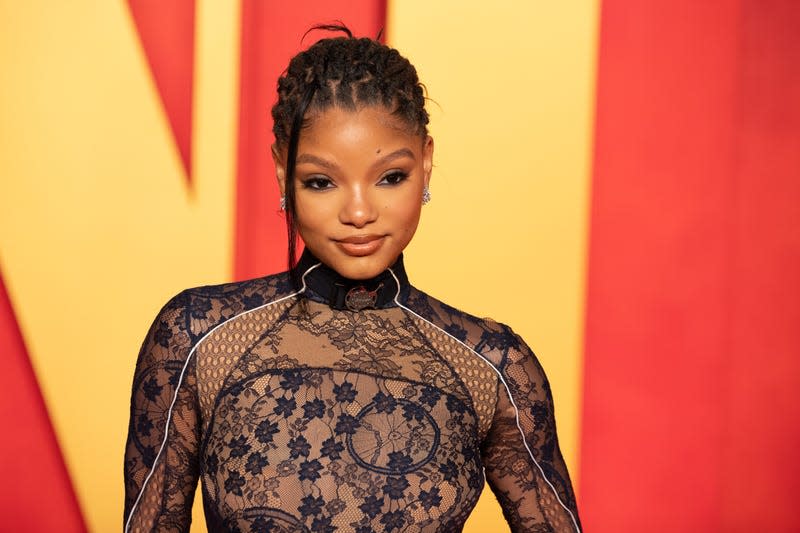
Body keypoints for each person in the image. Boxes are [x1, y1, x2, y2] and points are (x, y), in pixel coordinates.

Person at [123, 26, 581, 533]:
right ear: (282, 173)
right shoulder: (198, 339)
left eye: (390, 177)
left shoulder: (494, 369)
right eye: (321, 182)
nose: (359, 212)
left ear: (426, 163)